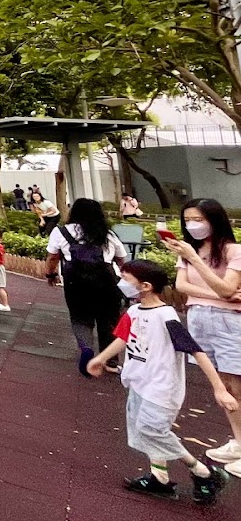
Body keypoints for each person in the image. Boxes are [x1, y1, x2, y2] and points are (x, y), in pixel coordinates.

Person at [86, 259, 232, 504]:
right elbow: (123, 338)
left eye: (126, 279)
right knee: (145, 431)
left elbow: (195, 350)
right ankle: (160, 478)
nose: (122, 283)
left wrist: (219, 388)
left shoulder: (166, 316)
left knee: (152, 431)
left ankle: (204, 472)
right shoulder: (134, 311)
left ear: (145, 285)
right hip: (138, 381)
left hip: (162, 387)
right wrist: (101, 358)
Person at [158, 198, 241, 476]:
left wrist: (196, 262)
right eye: (188, 220)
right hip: (199, 319)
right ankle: (238, 441)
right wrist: (218, 295)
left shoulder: (233, 250)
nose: (192, 226)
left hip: (230, 323)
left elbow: (228, 287)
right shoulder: (188, 250)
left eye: (198, 220)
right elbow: (182, 285)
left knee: (237, 385)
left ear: (214, 220)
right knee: (224, 387)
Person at [46, 197, 127, 369]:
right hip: (106, 280)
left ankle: (86, 347)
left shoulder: (61, 232)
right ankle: (111, 362)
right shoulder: (107, 234)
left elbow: (52, 257)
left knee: (80, 317)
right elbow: (122, 258)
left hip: (76, 281)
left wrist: (50, 274)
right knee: (109, 319)